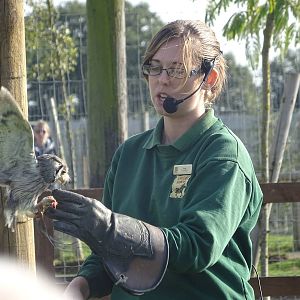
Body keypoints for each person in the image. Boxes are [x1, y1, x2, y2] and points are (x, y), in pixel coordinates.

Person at [45, 20, 263, 299]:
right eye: (155, 67)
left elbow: (198, 246)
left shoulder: (223, 155)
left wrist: (115, 228)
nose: (162, 79)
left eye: (177, 69)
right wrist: (80, 286)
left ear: (210, 78)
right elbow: (108, 255)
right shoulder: (129, 154)